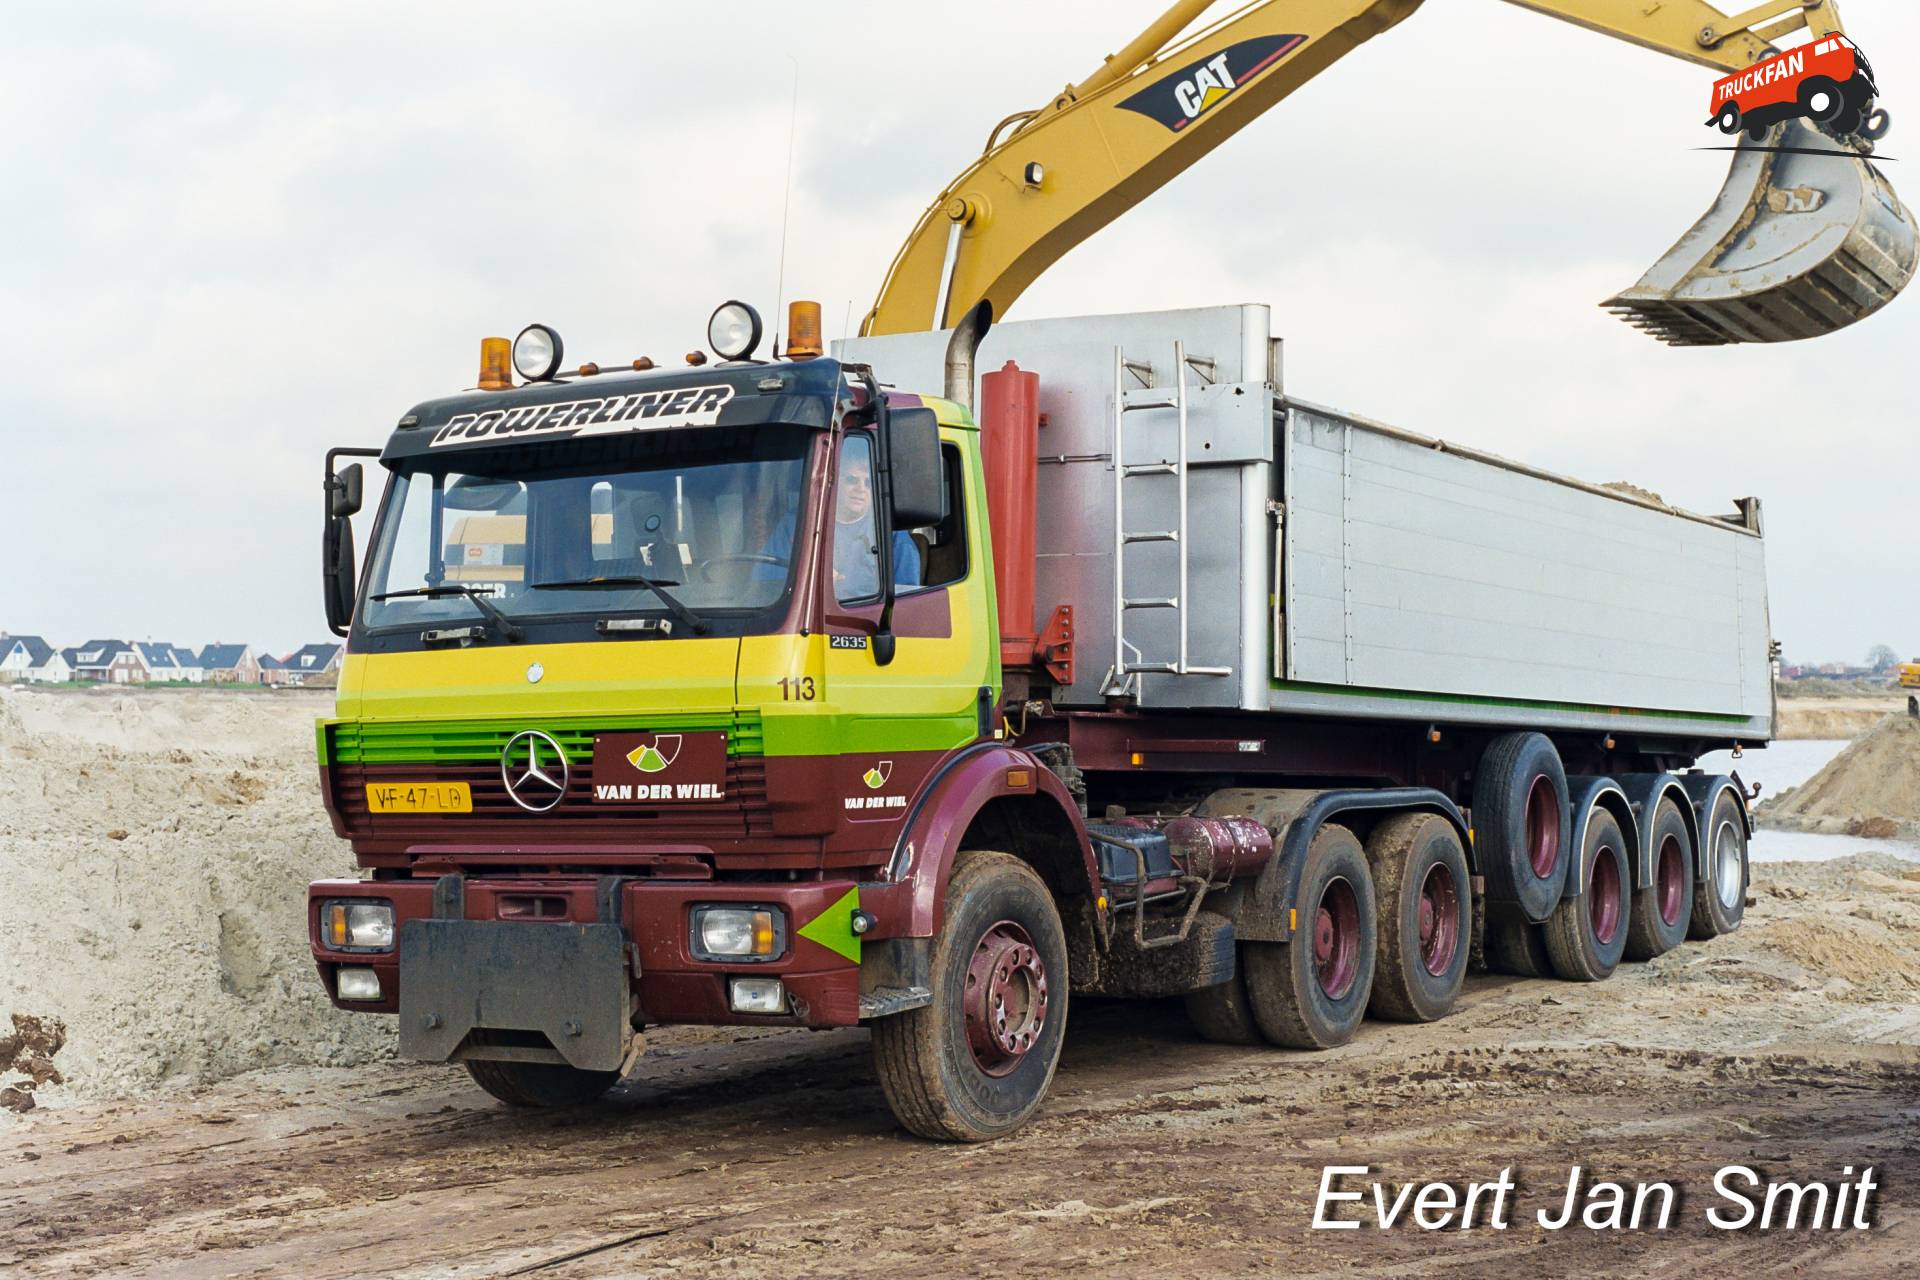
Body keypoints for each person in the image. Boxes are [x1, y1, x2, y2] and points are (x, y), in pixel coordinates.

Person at [759, 440, 920, 598]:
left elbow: (906, 605)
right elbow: (764, 586)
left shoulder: (893, 537)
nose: (860, 489)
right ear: (832, 481)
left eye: (869, 483)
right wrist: (811, 582)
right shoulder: (795, 524)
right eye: (852, 480)